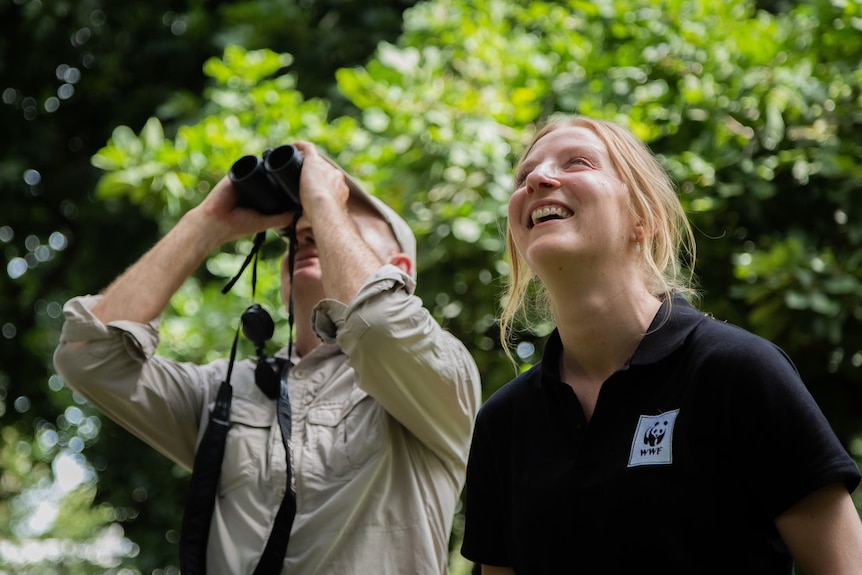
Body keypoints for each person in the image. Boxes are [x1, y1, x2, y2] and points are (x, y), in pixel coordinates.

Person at [54, 141, 482, 574]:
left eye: (342, 217)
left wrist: (321, 200)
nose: (306, 229)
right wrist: (207, 223)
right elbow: (89, 355)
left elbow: (381, 326)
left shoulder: (440, 378)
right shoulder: (225, 392)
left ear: (401, 268)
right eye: (297, 228)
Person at [460, 115, 862, 574]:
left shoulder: (738, 371)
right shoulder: (503, 423)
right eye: (523, 175)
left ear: (643, 218)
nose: (537, 179)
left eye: (578, 162)